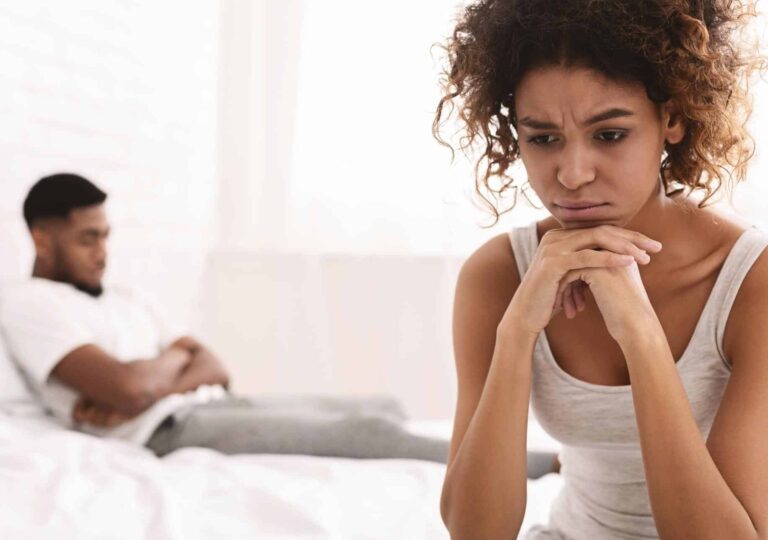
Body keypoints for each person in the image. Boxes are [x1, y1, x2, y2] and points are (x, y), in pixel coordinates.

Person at [432, 0, 768, 540]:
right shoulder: (498, 275)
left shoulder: (749, 281)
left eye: (609, 134)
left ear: (674, 118)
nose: (572, 174)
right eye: (543, 140)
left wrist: (639, 332)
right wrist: (518, 329)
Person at [0, 173, 562, 474]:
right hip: (167, 432)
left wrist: (154, 378)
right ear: (42, 238)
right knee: (366, 435)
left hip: (205, 406)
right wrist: (155, 377)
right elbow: (128, 388)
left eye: (105, 235)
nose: (102, 251)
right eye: (86, 238)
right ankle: (552, 467)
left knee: (382, 406)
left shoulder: (122, 296)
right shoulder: (32, 305)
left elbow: (212, 364)